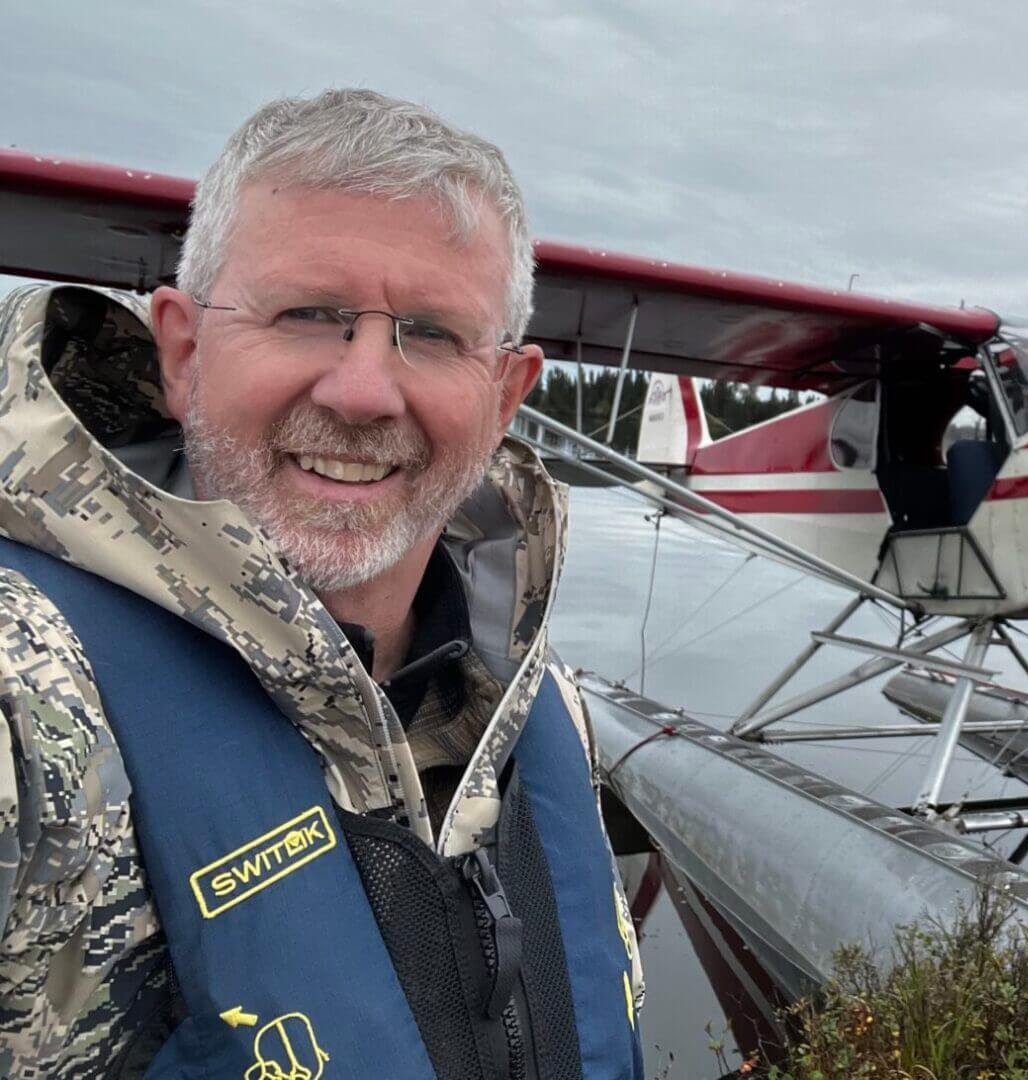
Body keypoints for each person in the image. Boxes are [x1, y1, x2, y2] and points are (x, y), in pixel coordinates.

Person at [0, 90, 644, 1078]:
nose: (361, 391)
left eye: (431, 334)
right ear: (181, 350)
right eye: (307, 315)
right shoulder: (26, 691)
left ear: (506, 394)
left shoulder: (538, 696)